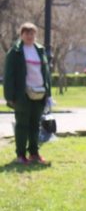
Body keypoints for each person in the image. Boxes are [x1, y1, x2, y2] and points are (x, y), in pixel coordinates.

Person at [4, 23, 51, 165]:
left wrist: (48, 93)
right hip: (22, 94)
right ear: (21, 35)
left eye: (32, 34)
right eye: (27, 33)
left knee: (35, 124)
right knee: (22, 125)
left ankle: (34, 153)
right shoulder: (15, 52)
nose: (30, 36)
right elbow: (9, 75)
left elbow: (46, 73)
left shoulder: (40, 50)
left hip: (39, 93)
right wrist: (10, 96)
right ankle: (21, 155)